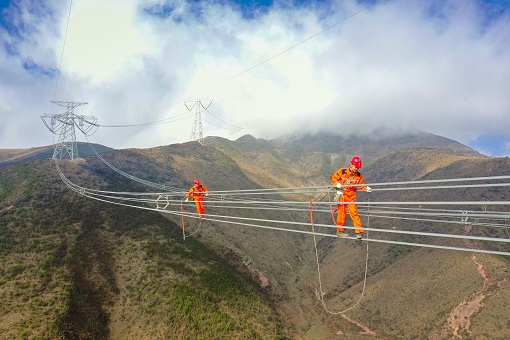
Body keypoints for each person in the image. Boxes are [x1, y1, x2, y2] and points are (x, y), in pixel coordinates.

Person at [330, 156, 371, 239]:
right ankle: (340, 231)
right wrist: (337, 183)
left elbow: (361, 185)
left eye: (358, 167)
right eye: (356, 167)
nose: (356, 169)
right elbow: (333, 177)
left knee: (354, 213)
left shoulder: (358, 176)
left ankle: (359, 232)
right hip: (342, 194)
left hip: (351, 196)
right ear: (351, 165)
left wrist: (366, 188)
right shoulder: (342, 171)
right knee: (342, 213)